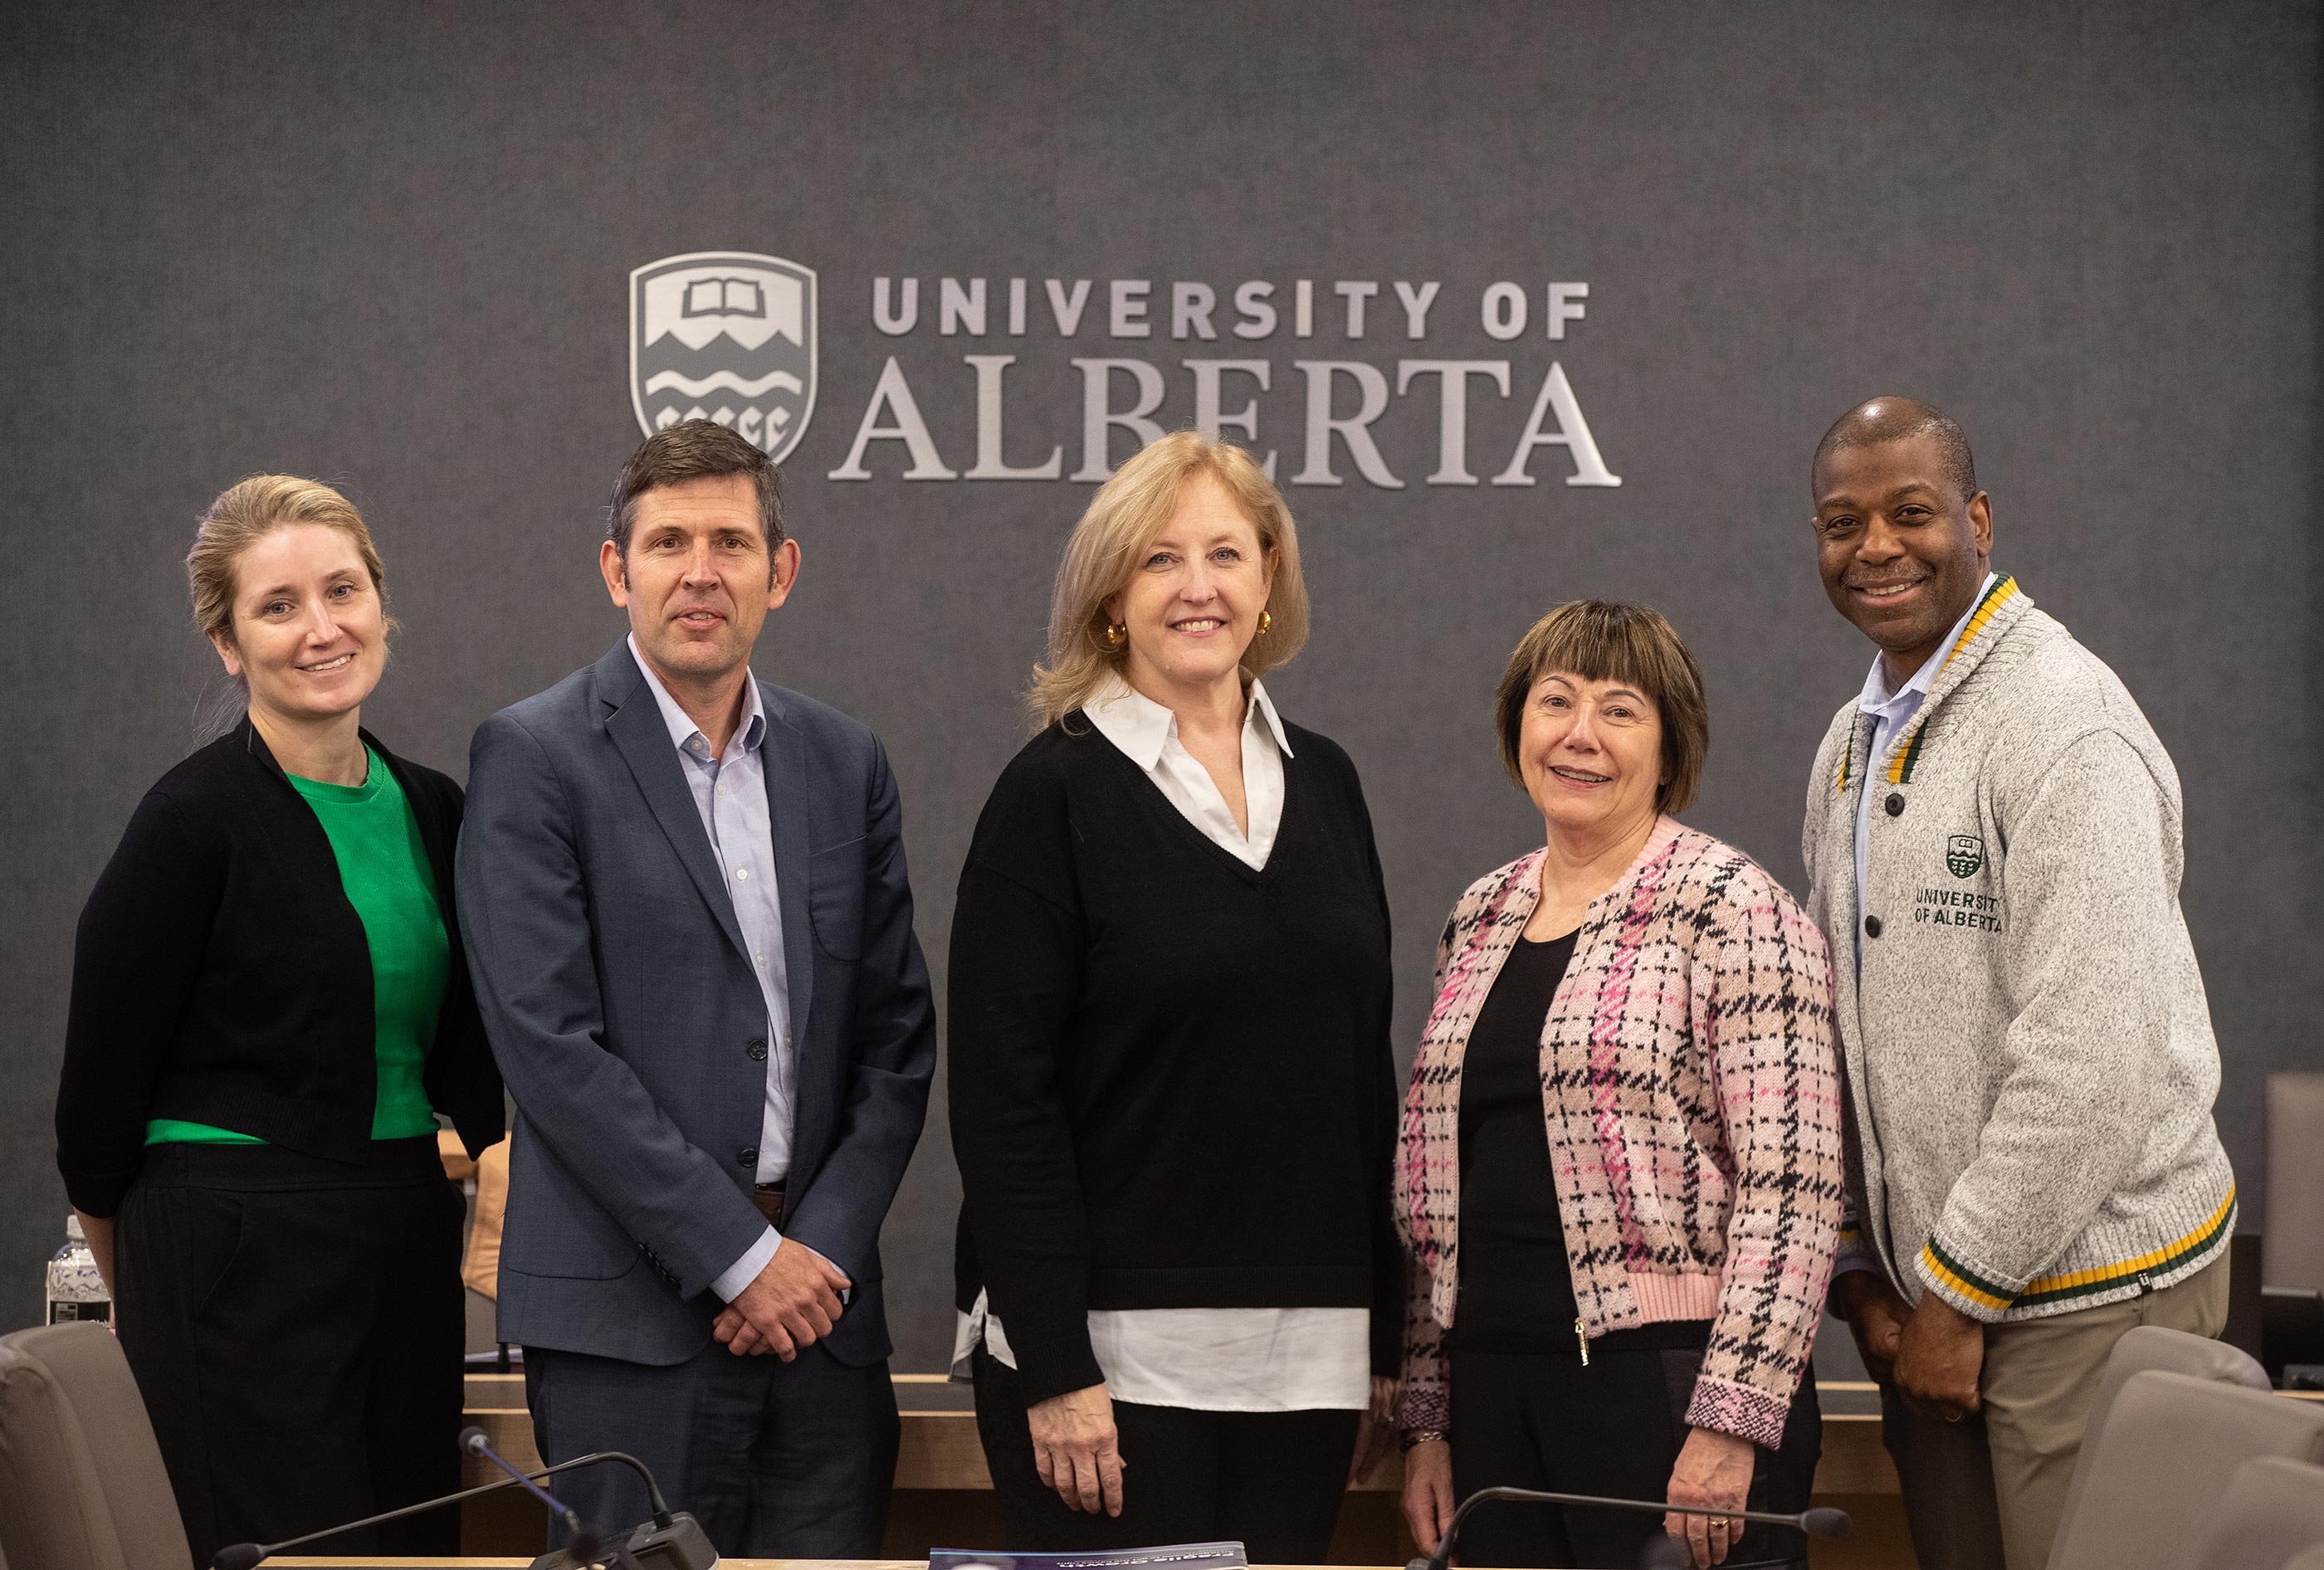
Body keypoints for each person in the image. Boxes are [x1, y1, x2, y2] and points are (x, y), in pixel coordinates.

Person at [456, 420, 935, 1558]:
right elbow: (550, 1048)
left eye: (731, 540)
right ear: (617, 569)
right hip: (631, 1334)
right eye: (668, 541)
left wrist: (807, 1256)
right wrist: (741, 1257)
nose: (701, 571)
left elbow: (897, 1040)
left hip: (822, 1323)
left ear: (783, 569)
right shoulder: (535, 756)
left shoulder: (844, 759)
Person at [948, 431, 1401, 1562]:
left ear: (1268, 584)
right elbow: (1005, 1108)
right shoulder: (1049, 792)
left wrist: (1383, 1341)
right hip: (1107, 1366)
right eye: (1158, 559)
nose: (1198, 586)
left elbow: (1361, 1080)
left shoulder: (1329, 782)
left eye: (1226, 555)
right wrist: (1056, 1369)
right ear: (1110, 598)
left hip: (1307, 1359)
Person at [1803, 397, 2236, 1570]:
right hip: (1932, 1321)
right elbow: (1840, 1031)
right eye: (1843, 523)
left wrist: (1956, 1298)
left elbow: (2091, 1062)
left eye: (1911, 513)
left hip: (2085, 1303)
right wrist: (1860, 1276)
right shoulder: (1853, 741)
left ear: (1978, 519)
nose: (1876, 548)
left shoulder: (2066, 729)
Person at [53, 475, 505, 1564]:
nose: (321, 629)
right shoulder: (188, 821)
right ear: (226, 642)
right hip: (229, 1258)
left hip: (401, 1236)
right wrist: (153, 1300)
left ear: (381, 605)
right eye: (277, 606)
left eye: (341, 590)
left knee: (408, 1545)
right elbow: (95, 1119)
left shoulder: (440, 805)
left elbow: (469, 1064)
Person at [1397, 601, 1845, 1570]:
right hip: (1491, 1397)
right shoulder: (1478, 916)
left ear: (1670, 743)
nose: (1579, 734)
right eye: (1554, 700)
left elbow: (1795, 1189)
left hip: (1666, 1388)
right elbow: (1439, 1204)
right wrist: (1427, 1421)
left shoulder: (1734, 907)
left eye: (1620, 708)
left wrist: (1732, 1417)